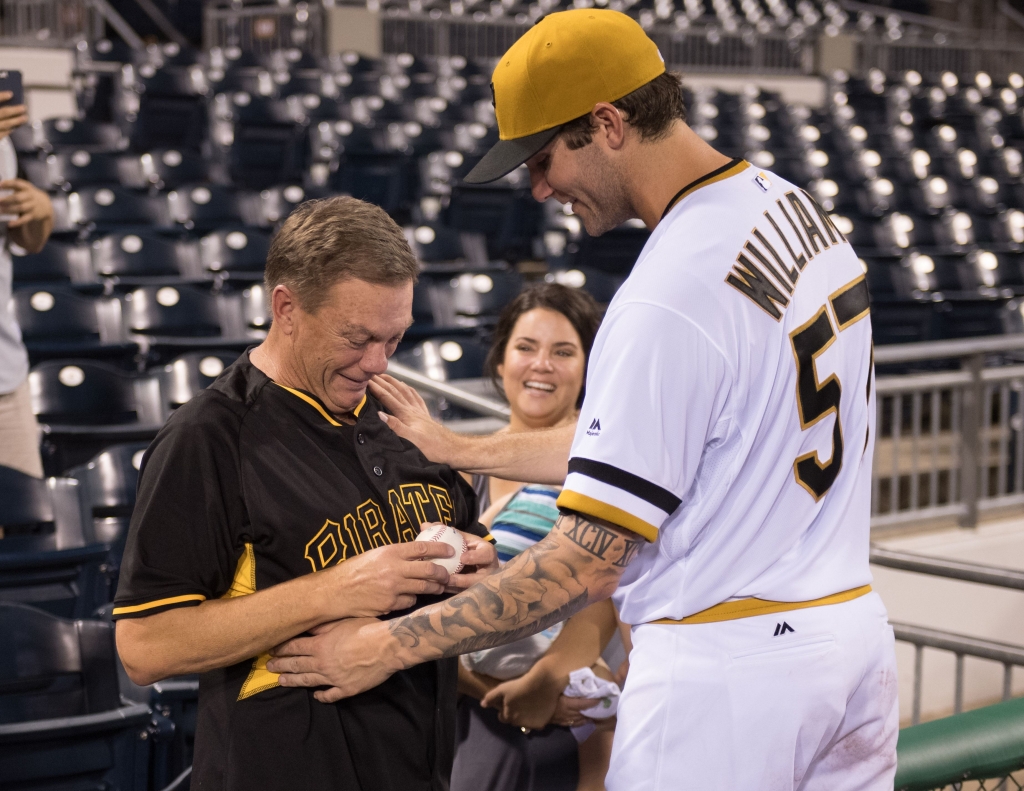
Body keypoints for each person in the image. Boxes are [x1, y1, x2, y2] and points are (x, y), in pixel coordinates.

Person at [266, 10, 898, 791]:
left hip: (729, 675)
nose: (537, 187)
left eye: (542, 158)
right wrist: (460, 448)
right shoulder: (795, 209)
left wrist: (386, 645)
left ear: (606, 123)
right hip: (850, 640)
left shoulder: (666, 292)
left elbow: (584, 565)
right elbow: (672, 443)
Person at [112, 196, 499, 791]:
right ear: (286, 308)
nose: (376, 362)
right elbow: (145, 647)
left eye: (394, 340)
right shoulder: (209, 437)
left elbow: (470, 577)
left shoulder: (407, 422)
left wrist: (481, 569)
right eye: (356, 338)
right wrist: (337, 590)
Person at [451, 283, 617, 791]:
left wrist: (557, 687)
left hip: (587, 722)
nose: (541, 365)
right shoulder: (460, 475)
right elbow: (427, 619)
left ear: (588, 369)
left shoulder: (610, 474)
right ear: (500, 361)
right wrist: (503, 690)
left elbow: (612, 600)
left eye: (563, 352)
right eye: (526, 348)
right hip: (475, 713)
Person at [0, 89, 54, 477]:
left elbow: (27, 240)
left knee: (28, 523)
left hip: (5, 374)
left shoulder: (3, 144)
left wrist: (40, 210)